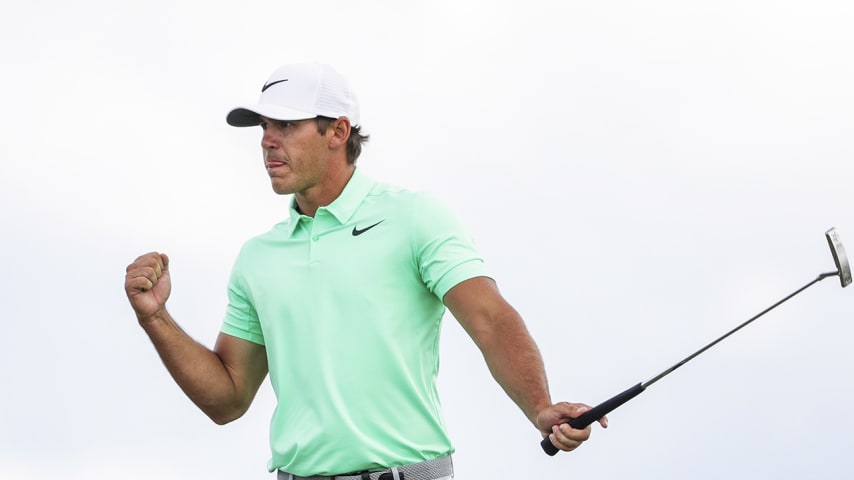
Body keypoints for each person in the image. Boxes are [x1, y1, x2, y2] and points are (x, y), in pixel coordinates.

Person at [124, 62, 606, 479]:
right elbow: (227, 399)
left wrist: (540, 407)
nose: (268, 142)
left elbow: (490, 319)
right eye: (264, 127)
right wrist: (156, 318)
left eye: (287, 126)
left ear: (338, 131)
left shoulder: (414, 217)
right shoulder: (258, 257)